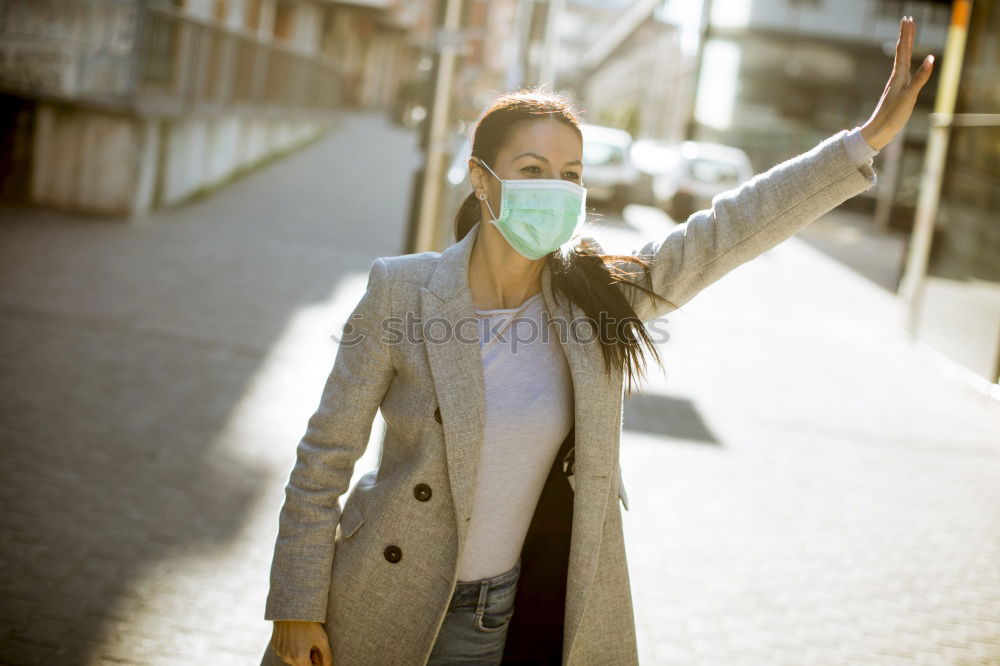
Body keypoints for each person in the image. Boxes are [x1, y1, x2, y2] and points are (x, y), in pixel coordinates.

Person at [262, 16, 933, 666]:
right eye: (531, 168)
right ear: (481, 179)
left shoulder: (598, 300)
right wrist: (296, 604)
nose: (555, 189)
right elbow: (324, 458)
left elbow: (732, 228)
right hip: (373, 595)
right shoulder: (401, 291)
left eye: (571, 173)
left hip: (499, 615)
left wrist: (863, 142)